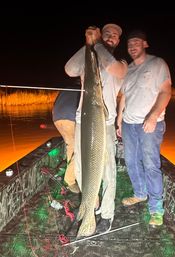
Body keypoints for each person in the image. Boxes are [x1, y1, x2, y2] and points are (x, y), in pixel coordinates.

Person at [65, 23, 128, 233]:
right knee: (82, 168)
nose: (110, 37)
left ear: (118, 41)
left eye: (114, 36)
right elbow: (69, 69)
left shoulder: (120, 63)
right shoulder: (88, 60)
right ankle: (89, 207)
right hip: (83, 121)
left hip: (105, 124)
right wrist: (88, 44)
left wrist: (98, 44)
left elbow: (114, 69)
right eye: (107, 33)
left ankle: (107, 214)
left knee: (108, 171)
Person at [116, 29, 172, 226]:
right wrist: (119, 119)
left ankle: (156, 209)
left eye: (136, 43)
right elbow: (124, 96)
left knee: (150, 164)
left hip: (150, 124)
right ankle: (140, 193)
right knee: (131, 161)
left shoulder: (157, 63)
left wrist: (154, 116)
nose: (132, 47)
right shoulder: (128, 69)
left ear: (145, 44)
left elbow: (166, 91)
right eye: (130, 44)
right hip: (128, 124)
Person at [52, 89, 80, 193]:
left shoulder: (65, 89)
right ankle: (70, 180)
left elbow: (54, 106)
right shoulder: (82, 89)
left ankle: (73, 174)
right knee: (81, 150)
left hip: (57, 118)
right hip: (71, 118)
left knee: (71, 147)